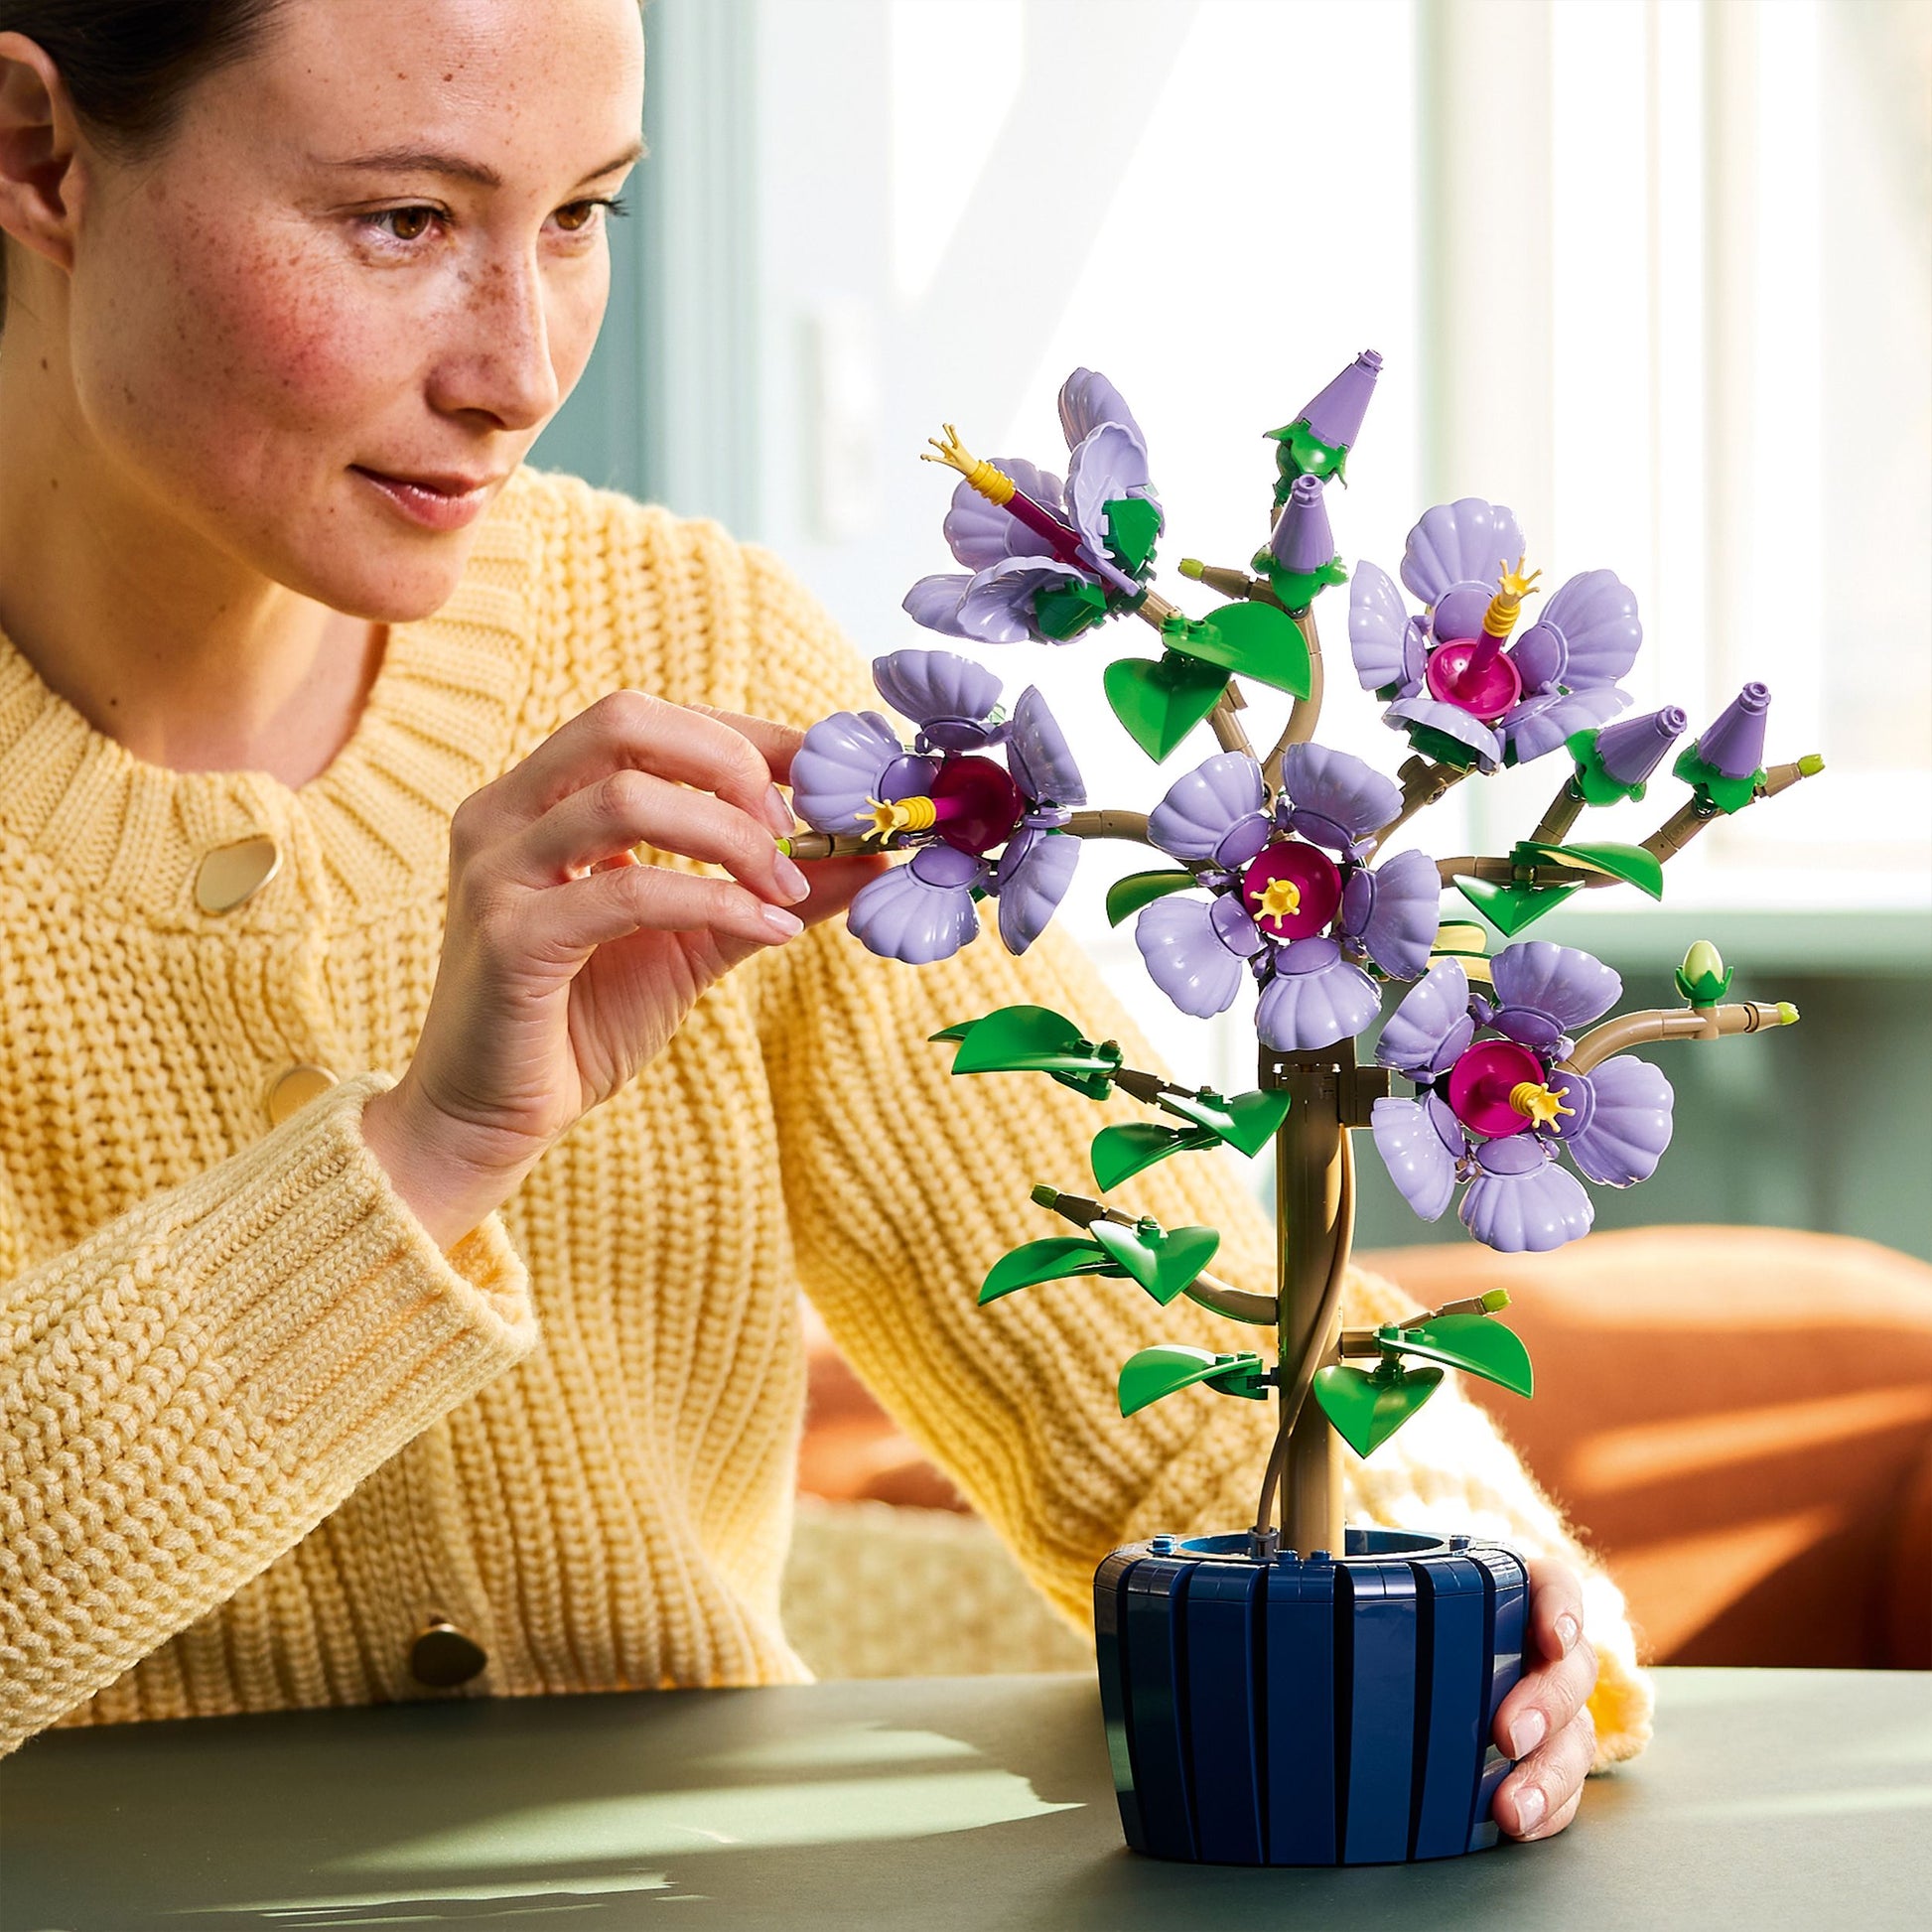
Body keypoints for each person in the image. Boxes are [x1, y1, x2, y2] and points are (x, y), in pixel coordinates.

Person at [0, 0, 1642, 1840]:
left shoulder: (684, 658)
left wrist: (1479, 1606)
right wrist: (426, 1155)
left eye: (578, 216)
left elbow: (1169, 1373)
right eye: (402, 221)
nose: (519, 368)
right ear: (38, 155)